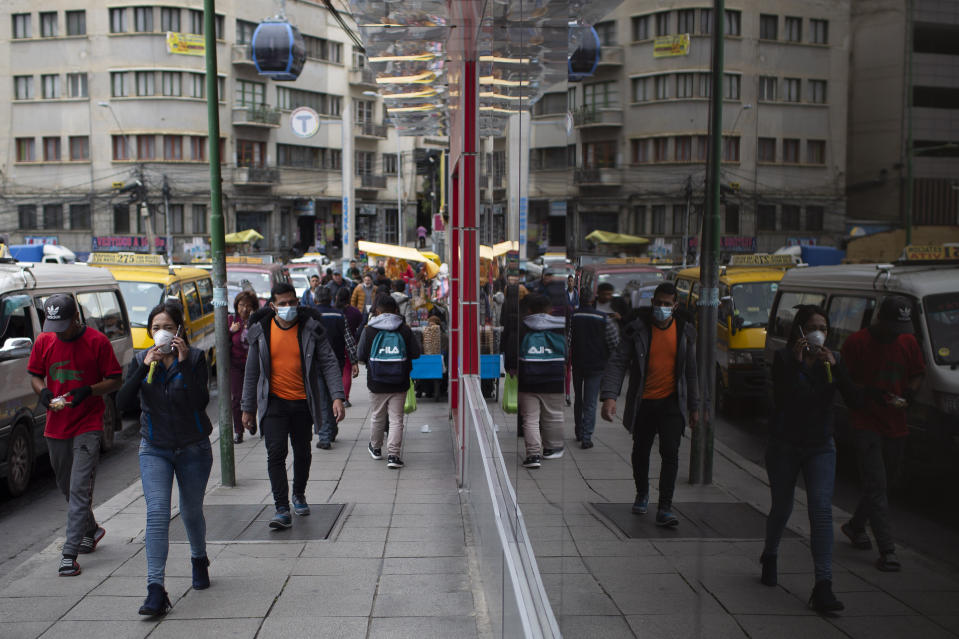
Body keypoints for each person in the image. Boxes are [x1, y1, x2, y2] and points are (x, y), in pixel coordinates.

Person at [118, 302, 214, 616]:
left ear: (179, 331)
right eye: (157, 326)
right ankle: (155, 589)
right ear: (149, 332)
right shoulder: (140, 360)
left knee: (189, 510)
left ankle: (199, 558)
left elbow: (200, 401)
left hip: (193, 447)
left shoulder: (196, 358)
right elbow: (122, 402)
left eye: (169, 327)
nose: (163, 332)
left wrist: (184, 362)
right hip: (154, 446)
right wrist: (146, 366)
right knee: (157, 512)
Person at [762, 306, 858, 613]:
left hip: (820, 445)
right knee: (782, 506)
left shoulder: (834, 360)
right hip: (785, 444)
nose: (820, 332)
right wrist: (797, 361)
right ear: (800, 331)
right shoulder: (784, 358)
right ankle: (771, 553)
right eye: (813, 326)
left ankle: (824, 585)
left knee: (820, 510)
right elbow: (786, 399)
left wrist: (835, 369)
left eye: (824, 327)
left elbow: (853, 399)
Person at [28, 294, 123, 577]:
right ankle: (91, 529)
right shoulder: (44, 341)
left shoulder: (97, 342)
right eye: (53, 325)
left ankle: (68, 555)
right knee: (67, 486)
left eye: (63, 325)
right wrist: (42, 392)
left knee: (80, 487)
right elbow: (34, 374)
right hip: (56, 425)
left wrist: (89, 390)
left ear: (76, 319)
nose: (57, 331)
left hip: (88, 424)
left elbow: (115, 379)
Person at [241, 283, 346, 529]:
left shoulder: (311, 329)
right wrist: (248, 408)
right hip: (274, 403)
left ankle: (299, 494)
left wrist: (337, 397)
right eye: (283, 303)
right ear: (272, 306)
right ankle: (281, 507)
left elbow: (329, 362)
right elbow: (251, 371)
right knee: (275, 453)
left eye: (292, 302)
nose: (289, 307)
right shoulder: (262, 331)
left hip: (302, 403)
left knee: (302, 452)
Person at [600, 282, 699, 527]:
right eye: (659, 303)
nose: (662, 308)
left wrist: (695, 407)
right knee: (641, 451)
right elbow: (618, 362)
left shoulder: (685, 332)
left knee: (670, 452)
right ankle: (642, 493)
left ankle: (665, 506)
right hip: (644, 402)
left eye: (668, 304)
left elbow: (692, 373)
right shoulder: (638, 329)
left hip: (672, 403)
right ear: (652, 302)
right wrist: (610, 397)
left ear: (675, 306)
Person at [839, 295, 925, 572]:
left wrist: (910, 394)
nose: (896, 335)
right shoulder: (856, 343)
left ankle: (855, 526)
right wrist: (867, 394)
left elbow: (917, 373)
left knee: (884, 484)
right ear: (881, 320)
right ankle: (888, 550)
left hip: (896, 423)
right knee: (876, 485)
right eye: (893, 328)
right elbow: (844, 383)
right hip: (866, 423)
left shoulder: (908, 342)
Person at [356, 295, 421, 469]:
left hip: (376, 381)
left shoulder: (369, 330)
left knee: (377, 415)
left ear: (377, 311)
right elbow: (416, 353)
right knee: (396, 418)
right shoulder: (404, 330)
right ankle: (393, 455)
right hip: (399, 381)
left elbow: (360, 356)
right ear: (395, 310)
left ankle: (376, 448)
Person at [505, 294, 567, 468]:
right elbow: (567, 351)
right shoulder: (559, 326)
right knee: (553, 415)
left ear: (530, 310)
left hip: (528, 378)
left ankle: (533, 456)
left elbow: (511, 349)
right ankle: (551, 449)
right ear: (551, 309)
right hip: (554, 377)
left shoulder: (522, 326)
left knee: (530, 418)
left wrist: (510, 368)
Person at [570, 288, 620, 449]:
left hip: (578, 363)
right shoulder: (604, 319)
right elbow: (614, 343)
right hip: (596, 366)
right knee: (590, 402)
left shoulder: (574, 316)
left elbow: (569, 339)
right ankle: (586, 437)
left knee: (578, 399)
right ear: (593, 301)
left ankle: (578, 431)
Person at [313, 287, 358, 449]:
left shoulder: (311, 316)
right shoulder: (339, 315)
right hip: (336, 362)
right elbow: (349, 340)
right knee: (334, 396)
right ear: (330, 298)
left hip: (316, 363)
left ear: (316, 299)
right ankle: (331, 430)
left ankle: (325, 436)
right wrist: (353, 361)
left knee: (323, 398)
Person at [229, 291, 258, 443]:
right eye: (241, 305)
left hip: (253, 365)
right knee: (236, 398)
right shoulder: (231, 320)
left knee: (254, 395)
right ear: (236, 306)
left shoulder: (256, 321)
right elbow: (222, 343)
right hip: (236, 365)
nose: (244, 309)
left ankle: (251, 419)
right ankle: (238, 430)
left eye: (248, 305)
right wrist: (230, 331)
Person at [336, 287, 363, 408]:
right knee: (346, 371)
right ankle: (345, 398)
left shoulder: (334, 311)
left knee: (335, 372)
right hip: (349, 344)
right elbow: (359, 326)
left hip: (334, 344)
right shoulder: (355, 312)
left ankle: (335, 396)